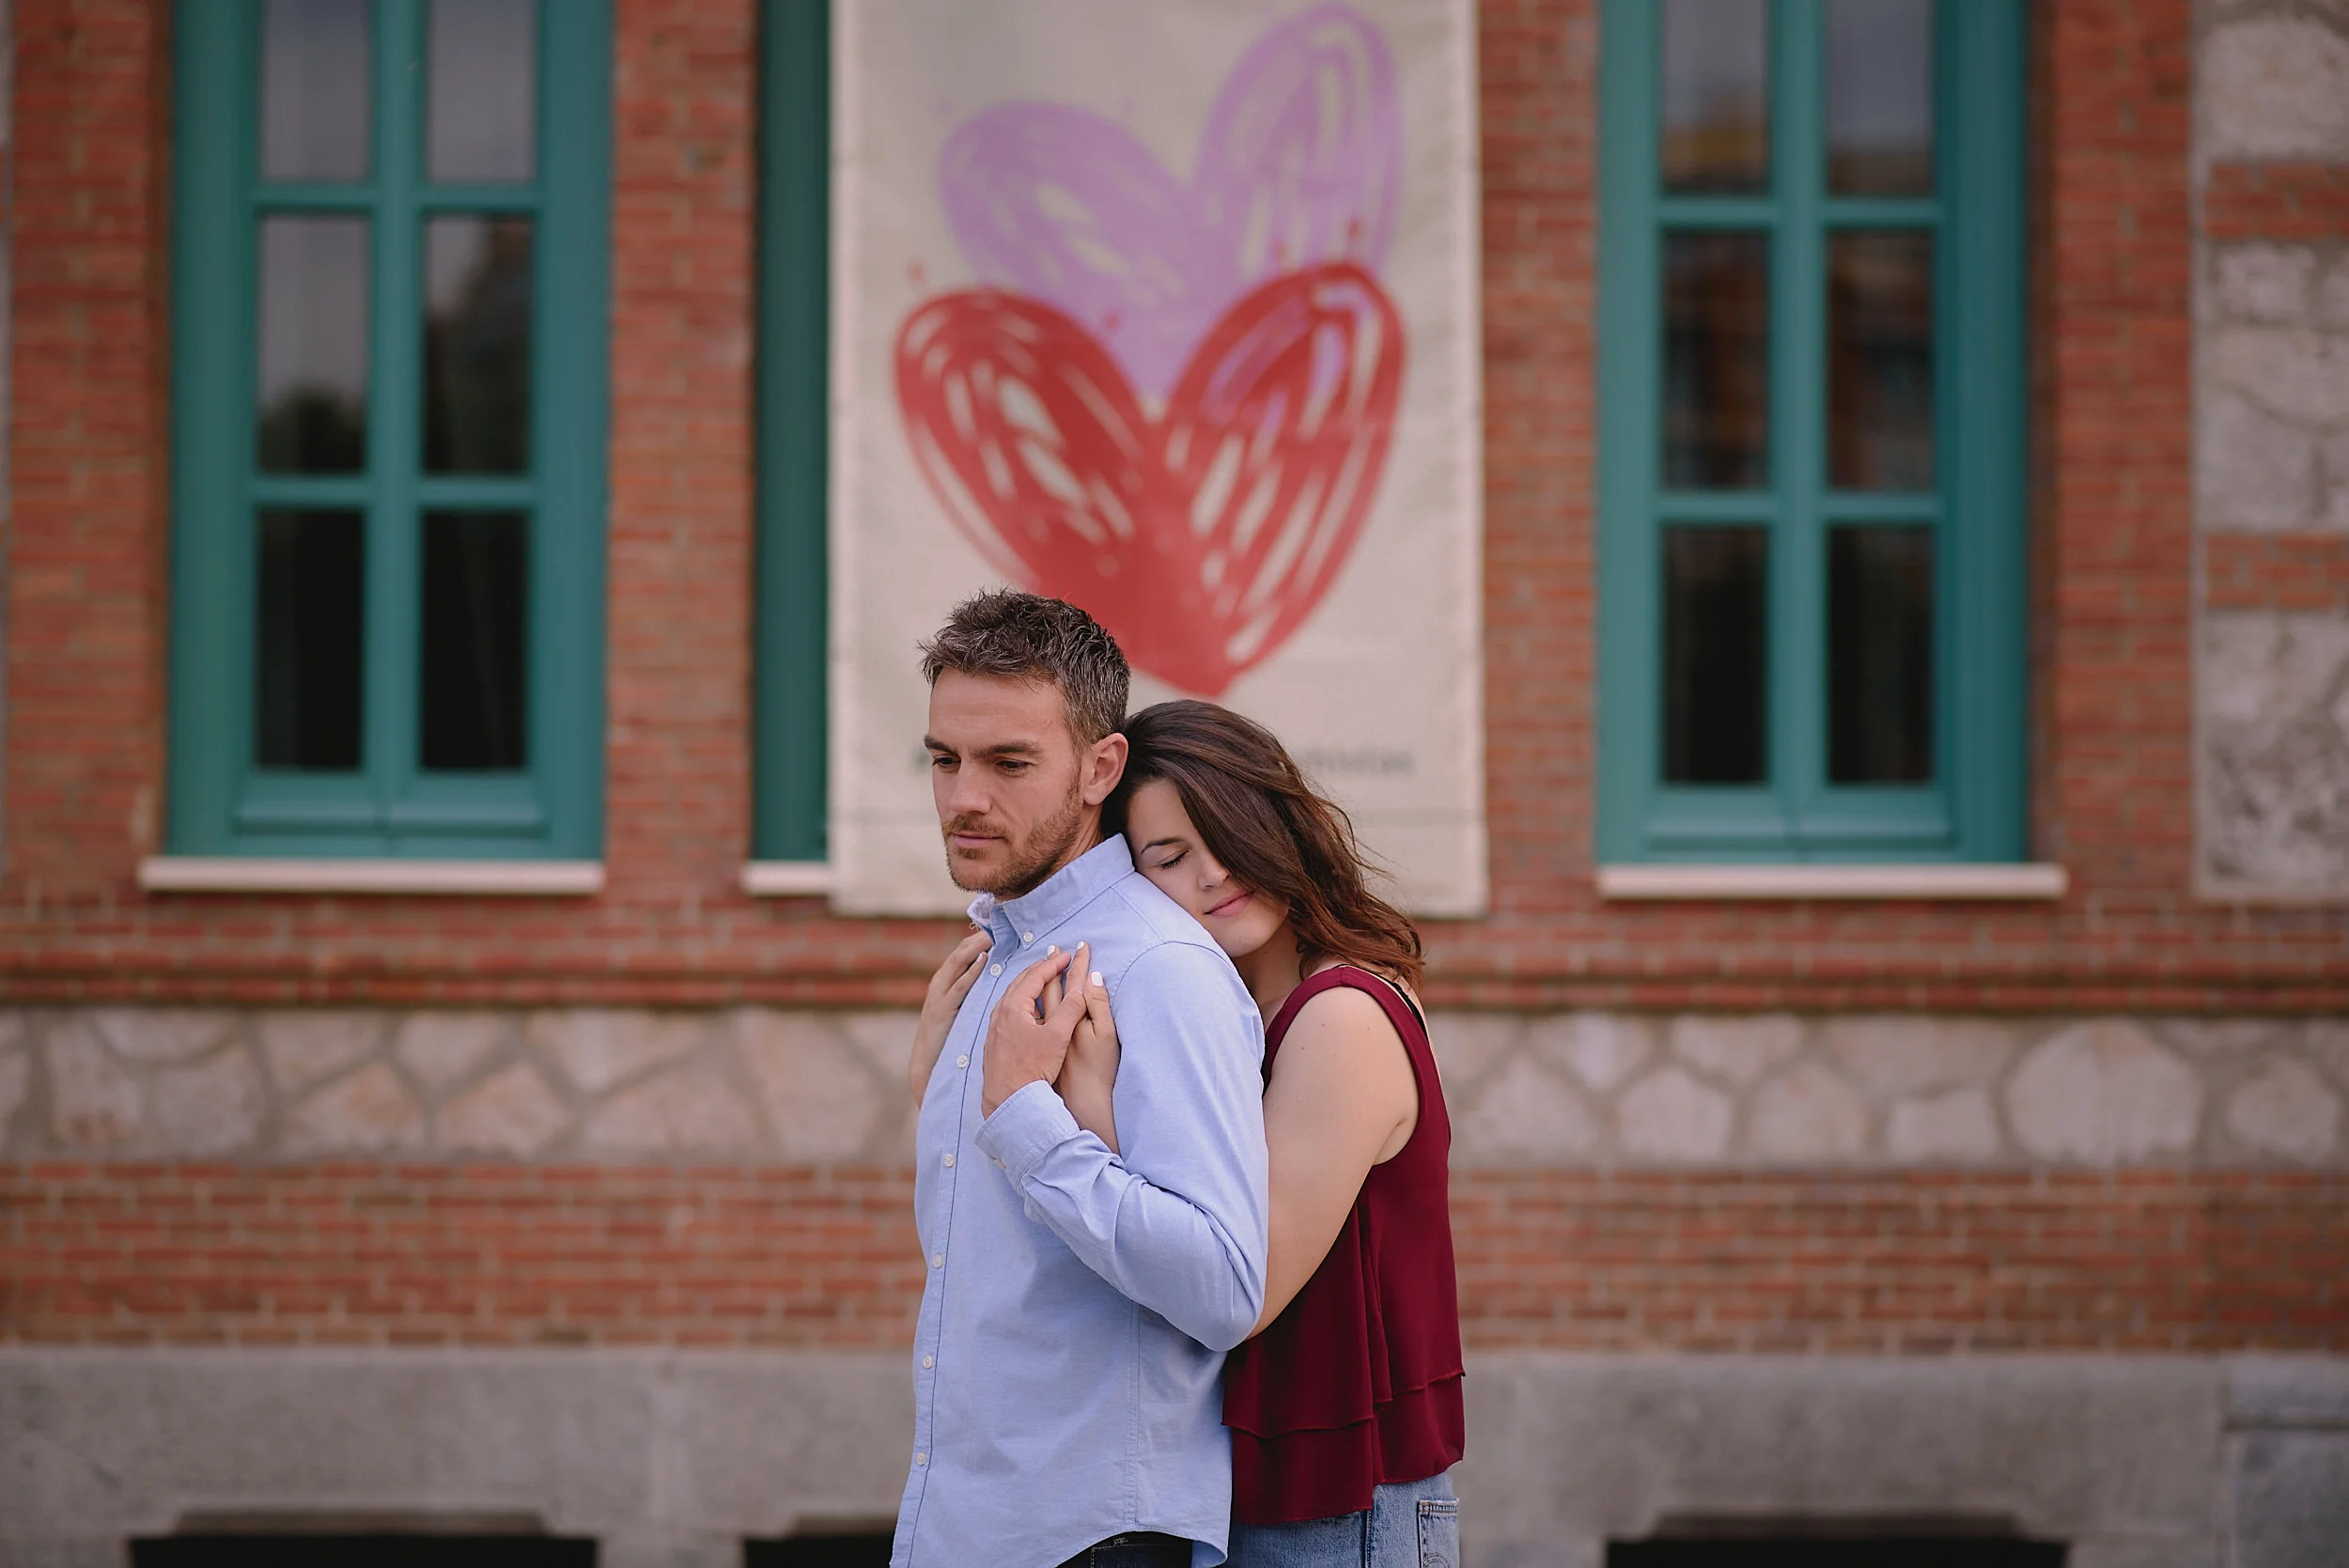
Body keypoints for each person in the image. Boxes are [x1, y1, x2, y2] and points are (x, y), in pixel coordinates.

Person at [894, 590, 1270, 1568]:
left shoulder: (1159, 968)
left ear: (1102, 767)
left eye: (1009, 763)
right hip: (967, 1528)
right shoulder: (992, 956)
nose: (963, 797)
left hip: (1093, 1535)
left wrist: (1029, 1120)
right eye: (944, 759)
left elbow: (1225, 1285)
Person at [1050, 699, 1465, 1568]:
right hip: (1236, 1490)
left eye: (1229, 832)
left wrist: (1091, 1117)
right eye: (1170, 857)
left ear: (1278, 826)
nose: (1213, 873)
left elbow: (1242, 1287)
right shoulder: (1222, 1016)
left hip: (1344, 1504)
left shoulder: (1341, 1015)